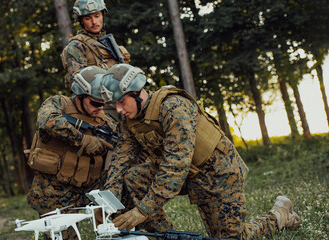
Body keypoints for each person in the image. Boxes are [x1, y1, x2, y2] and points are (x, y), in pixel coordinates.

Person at [99, 64, 301, 239]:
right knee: (135, 177)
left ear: (136, 92)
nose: (118, 110)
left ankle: (279, 216)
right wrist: (109, 199)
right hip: (189, 175)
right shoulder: (129, 121)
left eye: (121, 101)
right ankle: (165, 237)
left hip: (218, 173)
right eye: (114, 104)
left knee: (230, 238)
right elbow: (121, 158)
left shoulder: (173, 107)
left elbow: (176, 164)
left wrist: (143, 210)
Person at [26, 66, 114, 240]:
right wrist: (82, 139)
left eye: (104, 103)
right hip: (54, 192)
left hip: (89, 189)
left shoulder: (104, 121)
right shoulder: (59, 103)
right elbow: (47, 120)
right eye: (96, 103)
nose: (100, 107)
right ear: (80, 96)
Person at [61, 0, 131, 89]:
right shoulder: (77, 45)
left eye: (97, 16)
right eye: (88, 18)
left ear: (102, 16)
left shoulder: (107, 42)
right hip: (94, 99)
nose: (94, 22)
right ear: (81, 21)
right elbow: (77, 83)